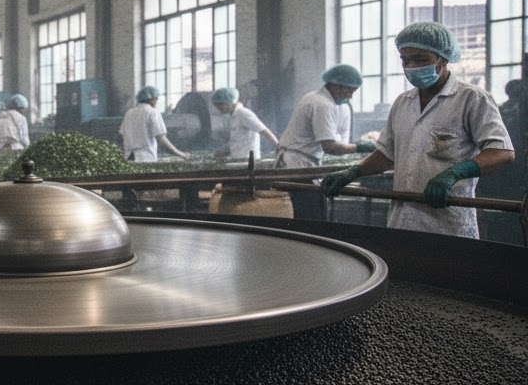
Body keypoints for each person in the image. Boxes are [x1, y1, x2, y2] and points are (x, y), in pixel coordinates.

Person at [322, 21, 514, 237]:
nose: (412, 66)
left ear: (443, 58)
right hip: (402, 221)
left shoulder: (471, 99)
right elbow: (387, 155)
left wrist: (455, 173)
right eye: (406, 60)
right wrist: (354, 172)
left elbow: (502, 152)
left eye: (421, 59)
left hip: (448, 225)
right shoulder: (403, 102)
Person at [274, 64, 378, 168]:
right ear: (336, 86)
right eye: (348, 91)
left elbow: (340, 143)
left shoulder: (334, 104)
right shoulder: (321, 103)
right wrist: (361, 148)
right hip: (294, 160)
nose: (350, 96)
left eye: (353, 92)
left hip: (306, 158)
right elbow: (330, 147)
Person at [118, 86, 190, 162]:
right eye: (156, 99)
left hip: (129, 157)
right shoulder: (152, 112)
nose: (156, 102)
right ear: (152, 100)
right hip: (146, 158)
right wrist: (182, 155)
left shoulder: (129, 113)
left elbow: (122, 134)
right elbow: (162, 138)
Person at [211, 87, 278, 162]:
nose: (219, 108)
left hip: (248, 160)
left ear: (229, 102)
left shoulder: (243, 113)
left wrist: (278, 147)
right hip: (238, 159)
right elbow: (237, 141)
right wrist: (220, 153)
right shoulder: (234, 116)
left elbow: (264, 130)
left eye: (220, 105)